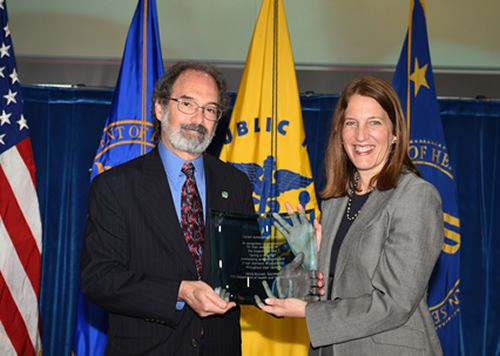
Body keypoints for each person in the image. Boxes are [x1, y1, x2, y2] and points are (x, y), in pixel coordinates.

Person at [257, 76, 444, 356]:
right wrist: (306, 263)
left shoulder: (416, 196)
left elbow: (394, 304)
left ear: (395, 134)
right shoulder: (335, 201)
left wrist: (308, 312)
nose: (360, 135)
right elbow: (329, 294)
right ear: (340, 132)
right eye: (351, 123)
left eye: (374, 122)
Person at [80, 62, 255, 355]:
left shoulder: (235, 184)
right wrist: (180, 291)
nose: (199, 118)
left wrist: (293, 263)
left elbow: (246, 270)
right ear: (160, 108)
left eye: (210, 109)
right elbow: (100, 279)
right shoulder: (115, 186)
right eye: (188, 104)